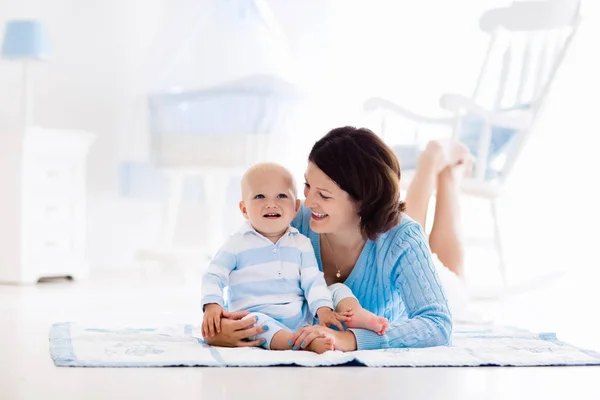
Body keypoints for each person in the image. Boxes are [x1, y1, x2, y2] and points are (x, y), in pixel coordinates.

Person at [203, 127, 471, 351]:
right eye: (307, 186)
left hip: (437, 280)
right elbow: (248, 282)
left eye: (324, 195)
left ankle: (437, 162)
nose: (307, 202)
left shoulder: (403, 238)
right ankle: (435, 161)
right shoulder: (292, 221)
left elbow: (437, 325)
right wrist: (226, 328)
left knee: (417, 228)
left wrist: (349, 339)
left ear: (362, 201)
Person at [201, 162, 389, 353]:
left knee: (335, 289)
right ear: (243, 209)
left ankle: (354, 315)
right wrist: (212, 306)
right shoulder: (236, 244)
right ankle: (300, 343)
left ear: (295, 207)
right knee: (254, 322)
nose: (271, 204)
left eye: (282, 196)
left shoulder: (301, 243)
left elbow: (313, 280)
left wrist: (323, 309)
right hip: (259, 316)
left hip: (301, 316)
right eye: (259, 196)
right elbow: (213, 276)